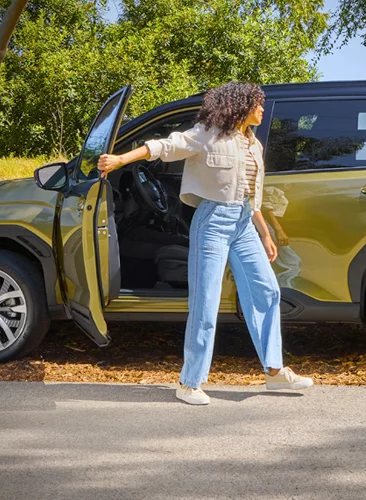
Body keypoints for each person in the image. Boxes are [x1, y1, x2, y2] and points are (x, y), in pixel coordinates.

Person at [97, 82, 313, 405]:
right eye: (258, 104)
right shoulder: (208, 134)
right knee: (206, 302)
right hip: (212, 222)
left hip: (243, 224)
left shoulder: (254, 146)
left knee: (267, 290)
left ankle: (274, 370)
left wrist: (265, 234)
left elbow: (251, 198)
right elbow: (166, 146)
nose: (263, 110)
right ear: (241, 106)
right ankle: (189, 382)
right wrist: (119, 160)